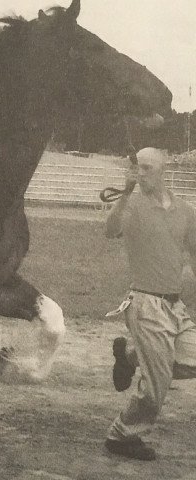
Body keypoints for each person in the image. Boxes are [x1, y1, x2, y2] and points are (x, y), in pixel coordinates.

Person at [103, 147, 196, 460]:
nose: (141, 173)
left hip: (175, 306)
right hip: (144, 303)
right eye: (138, 168)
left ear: (163, 170)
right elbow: (110, 230)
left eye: (147, 168)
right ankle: (121, 435)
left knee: (190, 361)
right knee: (157, 386)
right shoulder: (132, 204)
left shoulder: (185, 209)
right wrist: (126, 193)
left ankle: (130, 358)